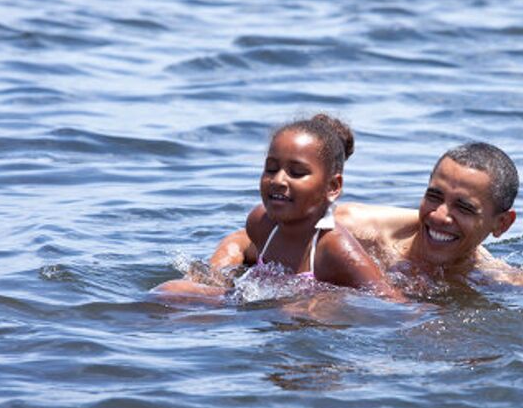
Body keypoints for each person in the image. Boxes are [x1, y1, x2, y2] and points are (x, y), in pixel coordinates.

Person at [203, 142, 523, 291]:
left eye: (464, 207)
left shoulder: (492, 277)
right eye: (434, 196)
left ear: (502, 224)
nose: (440, 216)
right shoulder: (357, 228)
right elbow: (245, 239)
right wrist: (215, 280)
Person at [155, 114, 404, 301]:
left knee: (170, 295)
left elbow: (388, 299)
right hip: (264, 323)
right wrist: (215, 274)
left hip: (311, 331)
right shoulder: (261, 223)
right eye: (271, 169)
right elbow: (241, 252)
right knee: (167, 292)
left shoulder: (333, 247)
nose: (278, 180)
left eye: (296, 173)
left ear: (332, 186)